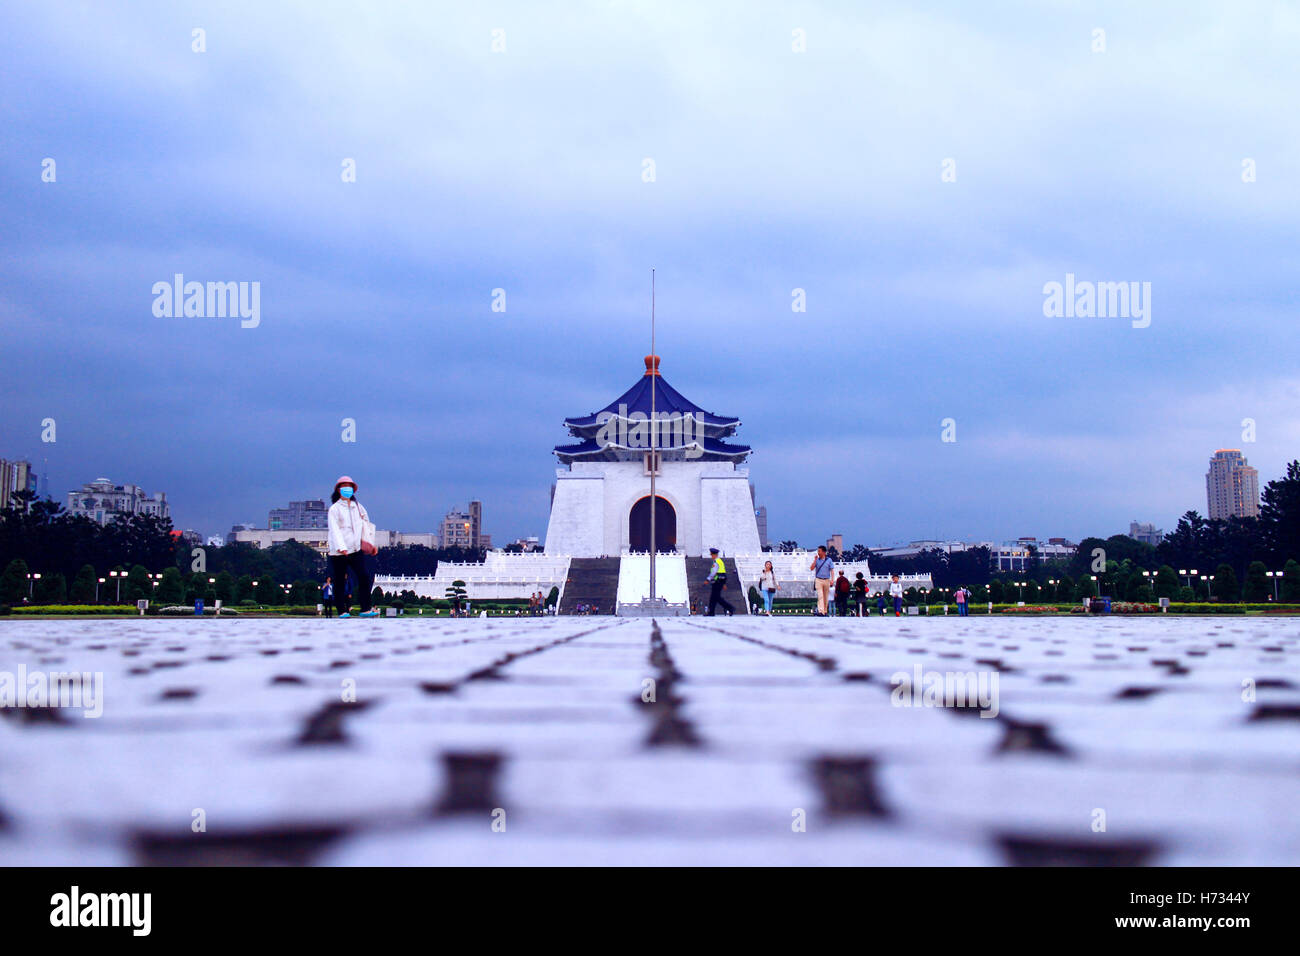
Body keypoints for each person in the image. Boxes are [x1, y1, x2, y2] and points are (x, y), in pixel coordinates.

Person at [327, 475, 377, 618]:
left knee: (364, 577)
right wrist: (341, 546)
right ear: (338, 490)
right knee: (339, 580)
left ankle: (366, 608)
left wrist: (371, 545)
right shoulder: (334, 509)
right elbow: (334, 529)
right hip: (339, 551)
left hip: (356, 549)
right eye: (344, 486)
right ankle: (342, 610)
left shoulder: (358, 507)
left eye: (349, 486)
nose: (347, 489)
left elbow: (366, 526)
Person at [706, 547, 735, 616]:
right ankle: (711, 612)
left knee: (716, 597)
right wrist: (724, 583)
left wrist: (708, 579)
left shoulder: (716, 562)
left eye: (712, 555)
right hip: (721, 579)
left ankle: (730, 608)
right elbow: (723, 571)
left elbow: (714, 572)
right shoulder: (720, 561)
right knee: (714, 597)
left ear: (715, 555)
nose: (711, 556)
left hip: (718, 580)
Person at [810, 546, 834, 616]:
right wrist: (815, 560)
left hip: (826, 580)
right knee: (820, 596)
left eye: (819, 551)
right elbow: (811, 568)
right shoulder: (817, 560)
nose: (818, 552)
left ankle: (825, 611)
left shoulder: (829, 560)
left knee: (825, 597)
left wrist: (832, 580)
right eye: (818, 551)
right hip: (818, 580)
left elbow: (832, 570)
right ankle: (821, 611)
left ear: (824, 552)